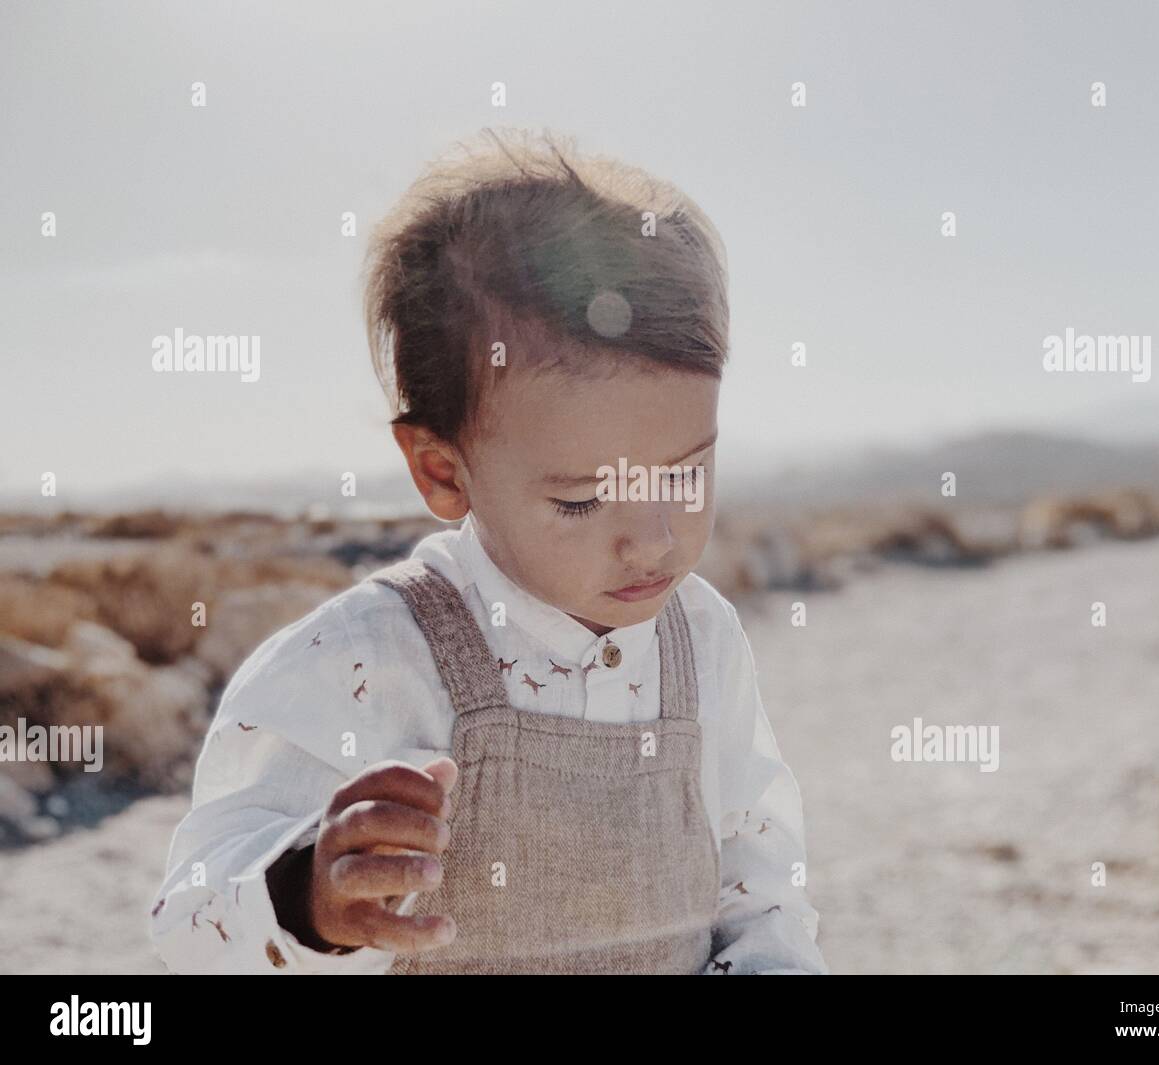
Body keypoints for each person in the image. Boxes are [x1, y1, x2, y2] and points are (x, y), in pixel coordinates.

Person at [148, 129, 828, 974]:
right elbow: (190, 921)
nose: (655, 538)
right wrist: (308, 900)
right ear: (443, 470)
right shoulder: (368, 658)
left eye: (685, 476)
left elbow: (760, 883)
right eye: (582, 499)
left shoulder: (703, 639)